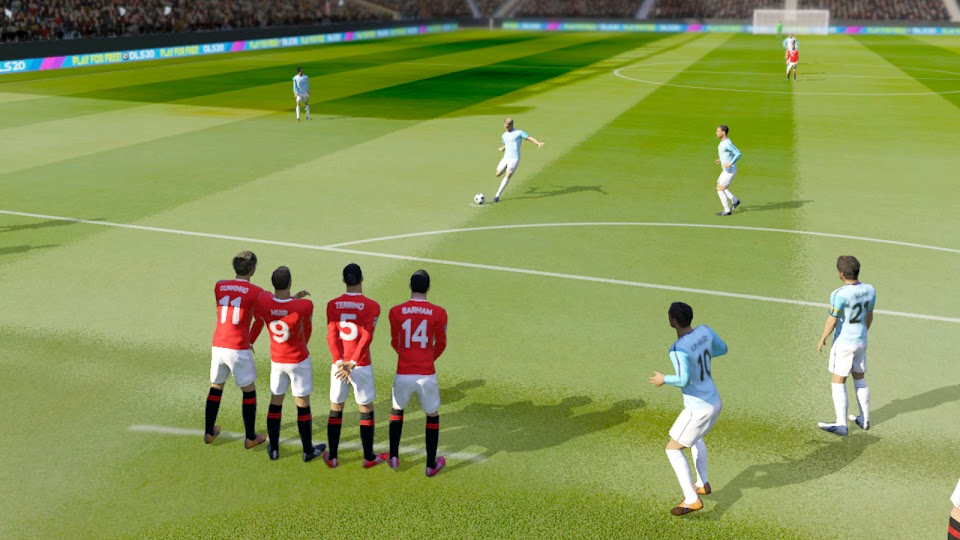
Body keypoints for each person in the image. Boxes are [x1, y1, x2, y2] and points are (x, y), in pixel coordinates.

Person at [650, 302, 728, 516]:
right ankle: (702, 483)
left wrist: (663, 379)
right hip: (714, 401)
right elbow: (722, 349)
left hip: (698, 408)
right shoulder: (705, 331)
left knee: (673, 449)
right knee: (696, 438)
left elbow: (683, 379)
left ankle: (692, 500)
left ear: (673, 321)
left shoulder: (678, 349)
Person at [252, 266, 325, 461]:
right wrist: (295, 298)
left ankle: (274, 448)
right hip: (298, 360)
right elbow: (306, 328)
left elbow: (274, 303)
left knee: (276, 402)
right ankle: (307, 450)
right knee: (302, 404)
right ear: (290, 283)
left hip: (278, 361)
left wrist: (292, 298)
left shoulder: (264, 300)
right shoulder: (304, 306)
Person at [323, 263, 388, 469]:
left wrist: (339, 361)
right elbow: (367, 336)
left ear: (344, 280)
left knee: (336, 406)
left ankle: (333, 457)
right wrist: (353, 362)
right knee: (366, 408)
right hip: (360, 364)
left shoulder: (333, 305)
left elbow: (331, 336)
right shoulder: (372, 306)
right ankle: (368, 457)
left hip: (339, 366)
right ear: (362, 278)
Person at [387, 269, 449, 476]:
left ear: (410, 286)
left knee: (397, 411)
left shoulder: (395, 311)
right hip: (426, 373)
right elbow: (441, 343)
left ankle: (393, 457)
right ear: (428, 287)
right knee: (432, 415)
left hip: (403, 371)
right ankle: (431, 464)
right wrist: (427, 359)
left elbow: (395, 341)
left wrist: (407, 356)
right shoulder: (439, 312)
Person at [206, 251, 266, 449]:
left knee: (216, 386)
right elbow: (260, 320)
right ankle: (250, 437)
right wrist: (250, 341)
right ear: (253, 270)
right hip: (238, 346)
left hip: (218, 343)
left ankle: (209, 432)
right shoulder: (257, 292)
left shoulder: (219, 285)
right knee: (248, 391)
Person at [816, 256, 876, 436]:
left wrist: (822, 338)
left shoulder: (839, 294)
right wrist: (863, 333)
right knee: (860, 379)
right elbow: (870, 315)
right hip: (861, 341)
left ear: (841, 274)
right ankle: (864, 419)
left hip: (843, 344)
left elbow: (832, 320)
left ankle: (841, 424)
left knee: (838, 381)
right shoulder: (870, 289)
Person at [493, 117, 545, 203]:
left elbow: (529, 137)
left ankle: (497, 195)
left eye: (507, 126)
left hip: (514, 159)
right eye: (505, 126)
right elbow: (506, 144)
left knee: (507, 175)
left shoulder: (519, 132)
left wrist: (538, 143)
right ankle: (506, 168)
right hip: (505, 158)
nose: (506, 128)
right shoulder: (504, 135)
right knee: (497, 174)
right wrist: (503, 148)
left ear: (511, 125)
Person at [713, 125, 742, 216]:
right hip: (725, 170)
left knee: (720, 190)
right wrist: (720, 159)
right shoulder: (723, 142)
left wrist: (731, 163)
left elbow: (738, 153)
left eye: (718, 131)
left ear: (723, 132)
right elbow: (727, 153)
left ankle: (727, 210)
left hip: (729, 171)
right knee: (719, 186)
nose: (716, 133)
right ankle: (735, 201)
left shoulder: (727, 144)